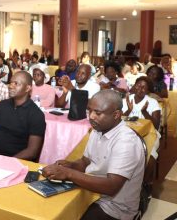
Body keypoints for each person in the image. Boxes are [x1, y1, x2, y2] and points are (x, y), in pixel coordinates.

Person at [41, 90, 145, 220]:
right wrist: (71, 165)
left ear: (116, 114)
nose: (91, 117)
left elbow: (111, 187)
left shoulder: (126, 142)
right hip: (91, 193)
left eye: (98, 113)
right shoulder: (98, 130)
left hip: (115, 207)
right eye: (89, 110)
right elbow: (86, 161)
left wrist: (69, 173)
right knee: (49, 208)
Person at [0, 71, 46, 161]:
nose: (10, 86)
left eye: (16, 83)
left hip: (18, 161)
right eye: (11, 82)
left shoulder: (36, 114)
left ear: (27, 88)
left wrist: (8, 161)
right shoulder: (2, 105)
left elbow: (32, 151)